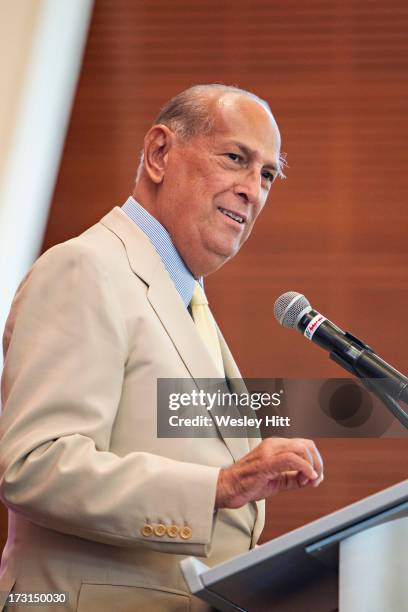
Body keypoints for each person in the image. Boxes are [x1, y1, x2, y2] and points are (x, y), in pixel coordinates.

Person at [0, 84, 323, 611]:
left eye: (267, 174)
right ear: (158, 154)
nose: (253, 190)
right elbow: (35, 465)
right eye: (236, 158)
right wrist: (221, 485)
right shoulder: (86, 268)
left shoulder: (184, 297)